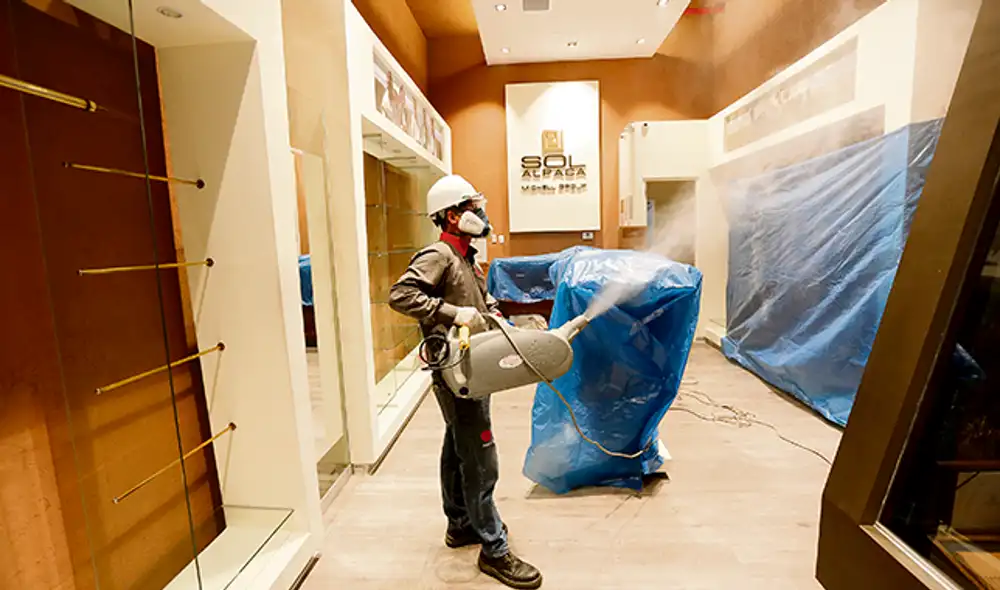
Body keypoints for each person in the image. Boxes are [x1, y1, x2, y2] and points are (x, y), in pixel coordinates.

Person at [389, 175, 544, 589]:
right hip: (457, 369)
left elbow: (475, 301)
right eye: (473, 208)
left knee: (457, 440)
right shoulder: (438, 254)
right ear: (454, 216)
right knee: (480, 454)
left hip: (472, 365)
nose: (482, 214)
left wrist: (495, 314)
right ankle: (494, 549)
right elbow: (401, 295)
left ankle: (459, 523)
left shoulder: (466, 256)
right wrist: (451, 314)